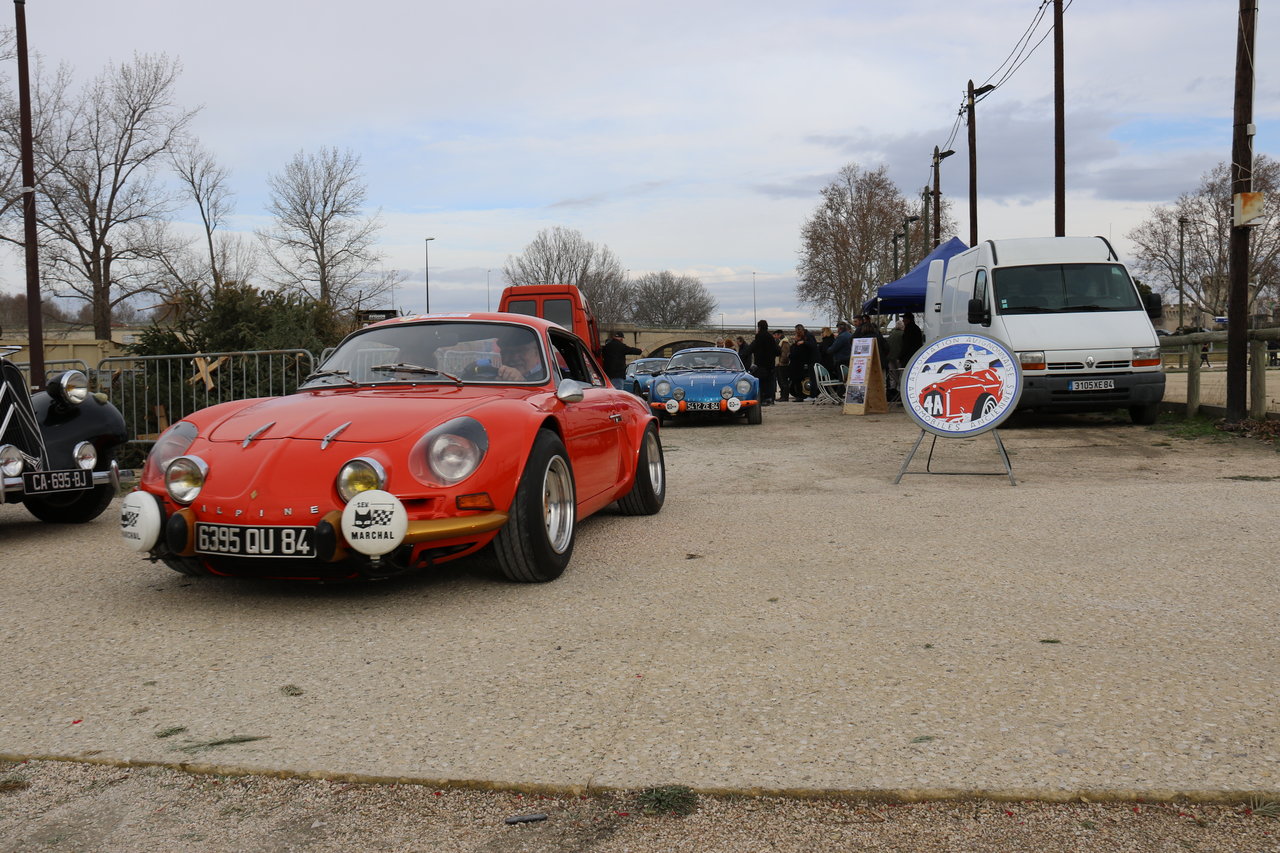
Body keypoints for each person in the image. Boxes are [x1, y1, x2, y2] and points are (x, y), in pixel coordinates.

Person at [750, 320, 780, 405]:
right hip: (770, 364)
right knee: (770, 382)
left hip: (761, 364)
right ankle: (771, 399)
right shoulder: (770, 337)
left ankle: (763, 399)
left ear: (759, 327)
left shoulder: (759, 337)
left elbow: (753, 348)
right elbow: (777, 351)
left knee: (762, 383)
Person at [790, 324, 818, 401]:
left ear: (800, 330)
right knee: (812, 378)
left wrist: (803, 342)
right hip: (809, 360)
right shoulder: (806, 336)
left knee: (813, 378)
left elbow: (813, 345)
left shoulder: (809, 336)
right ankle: (812, 395)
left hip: (812, 360)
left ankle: (813, 395)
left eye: (797, 332)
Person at [774, 330, 791, 401]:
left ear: (779, 335)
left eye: (776, 335)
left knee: (784, 381)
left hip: (783, 364)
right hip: (780, 364)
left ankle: (785, 396)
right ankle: (782, 396)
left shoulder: (784, 342)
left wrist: (781, 362)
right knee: (781, 381)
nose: (775, 336)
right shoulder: (781, 342)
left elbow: (785, 354)